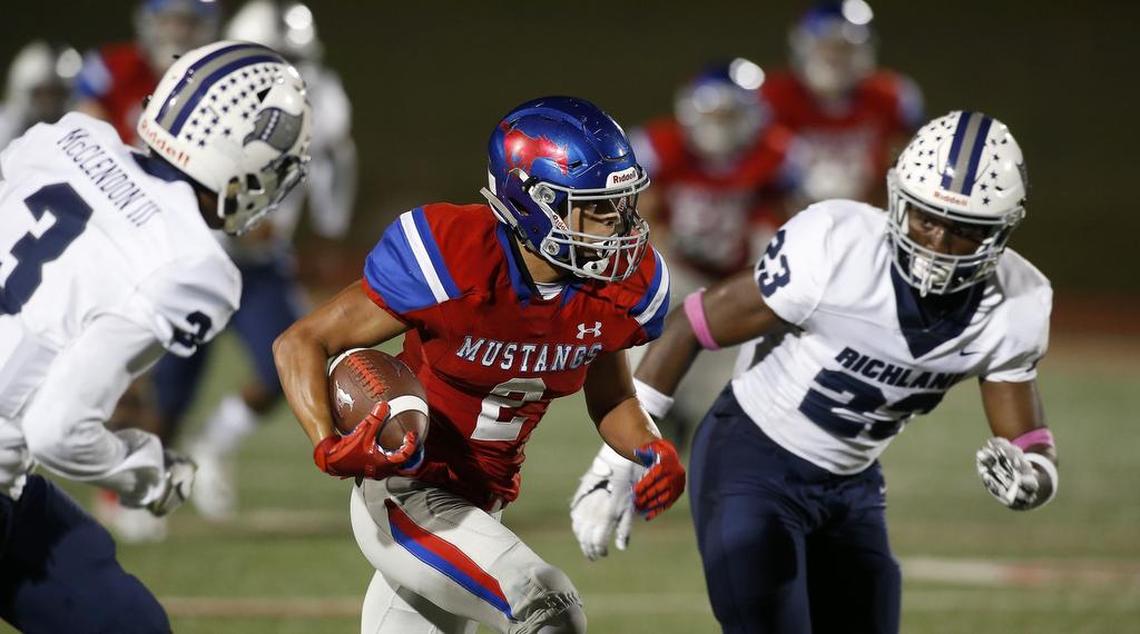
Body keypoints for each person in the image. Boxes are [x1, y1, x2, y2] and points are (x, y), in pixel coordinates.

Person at [570, 111, 1058, 632]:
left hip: (853, 485)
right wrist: (620, 457)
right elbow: (690, 325)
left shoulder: (1016, 305)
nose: (937, 243)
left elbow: (1026, 440)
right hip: (751, 461)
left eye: (963, 230)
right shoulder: (835, 247)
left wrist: (1035, 477)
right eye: (926, 218)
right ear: (897, 201)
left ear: (1001, 231)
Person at [273, 96, 686, 633]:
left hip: (481, 508)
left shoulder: (618, 287)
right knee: (547, 608)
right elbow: (301, 340)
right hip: (407, 489)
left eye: (623, 205)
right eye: (597, 207)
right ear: (534, 202)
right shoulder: (453, 257)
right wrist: (326, 443)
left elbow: (612, 398)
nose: (620, 225)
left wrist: (652, 447)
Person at [0, 40, 311, 632]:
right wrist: (150, 471)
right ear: (244, 165)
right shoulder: (194, 263)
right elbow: (57, 431)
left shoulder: (65, 137)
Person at [156, 0, 359, 522]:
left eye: (298, 57)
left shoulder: (322, 92)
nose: (294, 71)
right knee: (168, 390)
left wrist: (323, 220)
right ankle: (140, 491)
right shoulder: (213, 91)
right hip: (194, 256)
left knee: (293, 361)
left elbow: (334, 156)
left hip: (260, 262)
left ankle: (215, 442)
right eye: (281, 55)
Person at [625, 57, 793, 451]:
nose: (719, 123)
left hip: (732, 277)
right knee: (636, 349)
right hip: (675, 267)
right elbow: (639, 210)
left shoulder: (773, 152)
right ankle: (645, 431)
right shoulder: (665, 145)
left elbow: (786, 215)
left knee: (728, 392)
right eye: (713, 113)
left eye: (730, 114)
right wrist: (660, 243)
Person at [762, 0, 923, 206]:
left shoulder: (890, 98)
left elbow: (910, 168)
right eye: (824, 47)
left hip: (868, 214)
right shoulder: (773, 98)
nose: (833, 58)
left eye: (844, 48)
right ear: (803, 46)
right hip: (790, 215)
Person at [74, 0, 221, 147]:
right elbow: (84, 118)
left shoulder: (217, 79)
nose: (177, 33)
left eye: (188, 23)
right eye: (166, 21)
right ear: (149, 22)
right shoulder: (115, 66)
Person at [0, 41, 82, 163]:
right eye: (42, 93)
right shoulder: (5, 127)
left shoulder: (76, 130)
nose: (50, 103)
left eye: (57, 94)